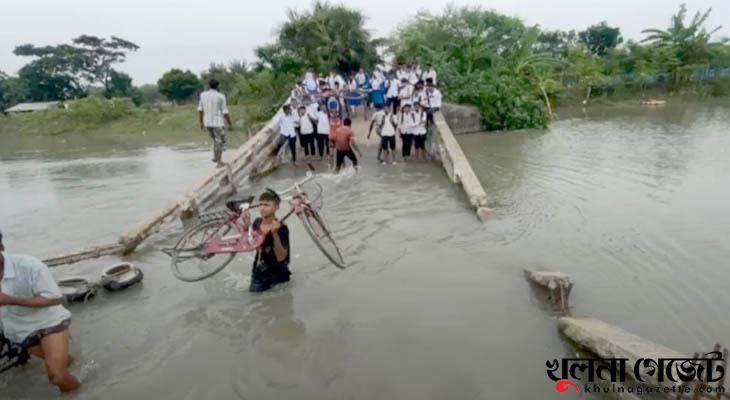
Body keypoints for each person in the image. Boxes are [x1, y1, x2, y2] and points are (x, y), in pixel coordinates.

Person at [0, 230, 80, 392]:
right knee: (61, 364)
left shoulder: (29, 265)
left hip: (49, 324)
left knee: (57, 377)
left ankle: (85, 392)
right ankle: (76, 365)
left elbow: (55, 299)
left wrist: (10, 300)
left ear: (1, 247)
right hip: (18, 331)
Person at [249, 191, 291, 292]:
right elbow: (250, 242)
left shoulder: (282, 228)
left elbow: (281, 257)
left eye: (267, 205)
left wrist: (275, 234)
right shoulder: (257, 222)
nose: (262, 208)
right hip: (259, 273)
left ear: (277, 207)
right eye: (260, 204)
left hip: (279, 274)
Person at [198, 79, 233, 167]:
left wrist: (201, 122)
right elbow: (225, 111)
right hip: (218, 123)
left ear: (209, 85)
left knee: (216, 140)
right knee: (220, 141)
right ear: (217, 86)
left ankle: (215, 157)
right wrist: (230, 123)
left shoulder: (203, 95)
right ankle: (219, 162)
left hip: (207, 123)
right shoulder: (221, 96)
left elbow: (200, 109)